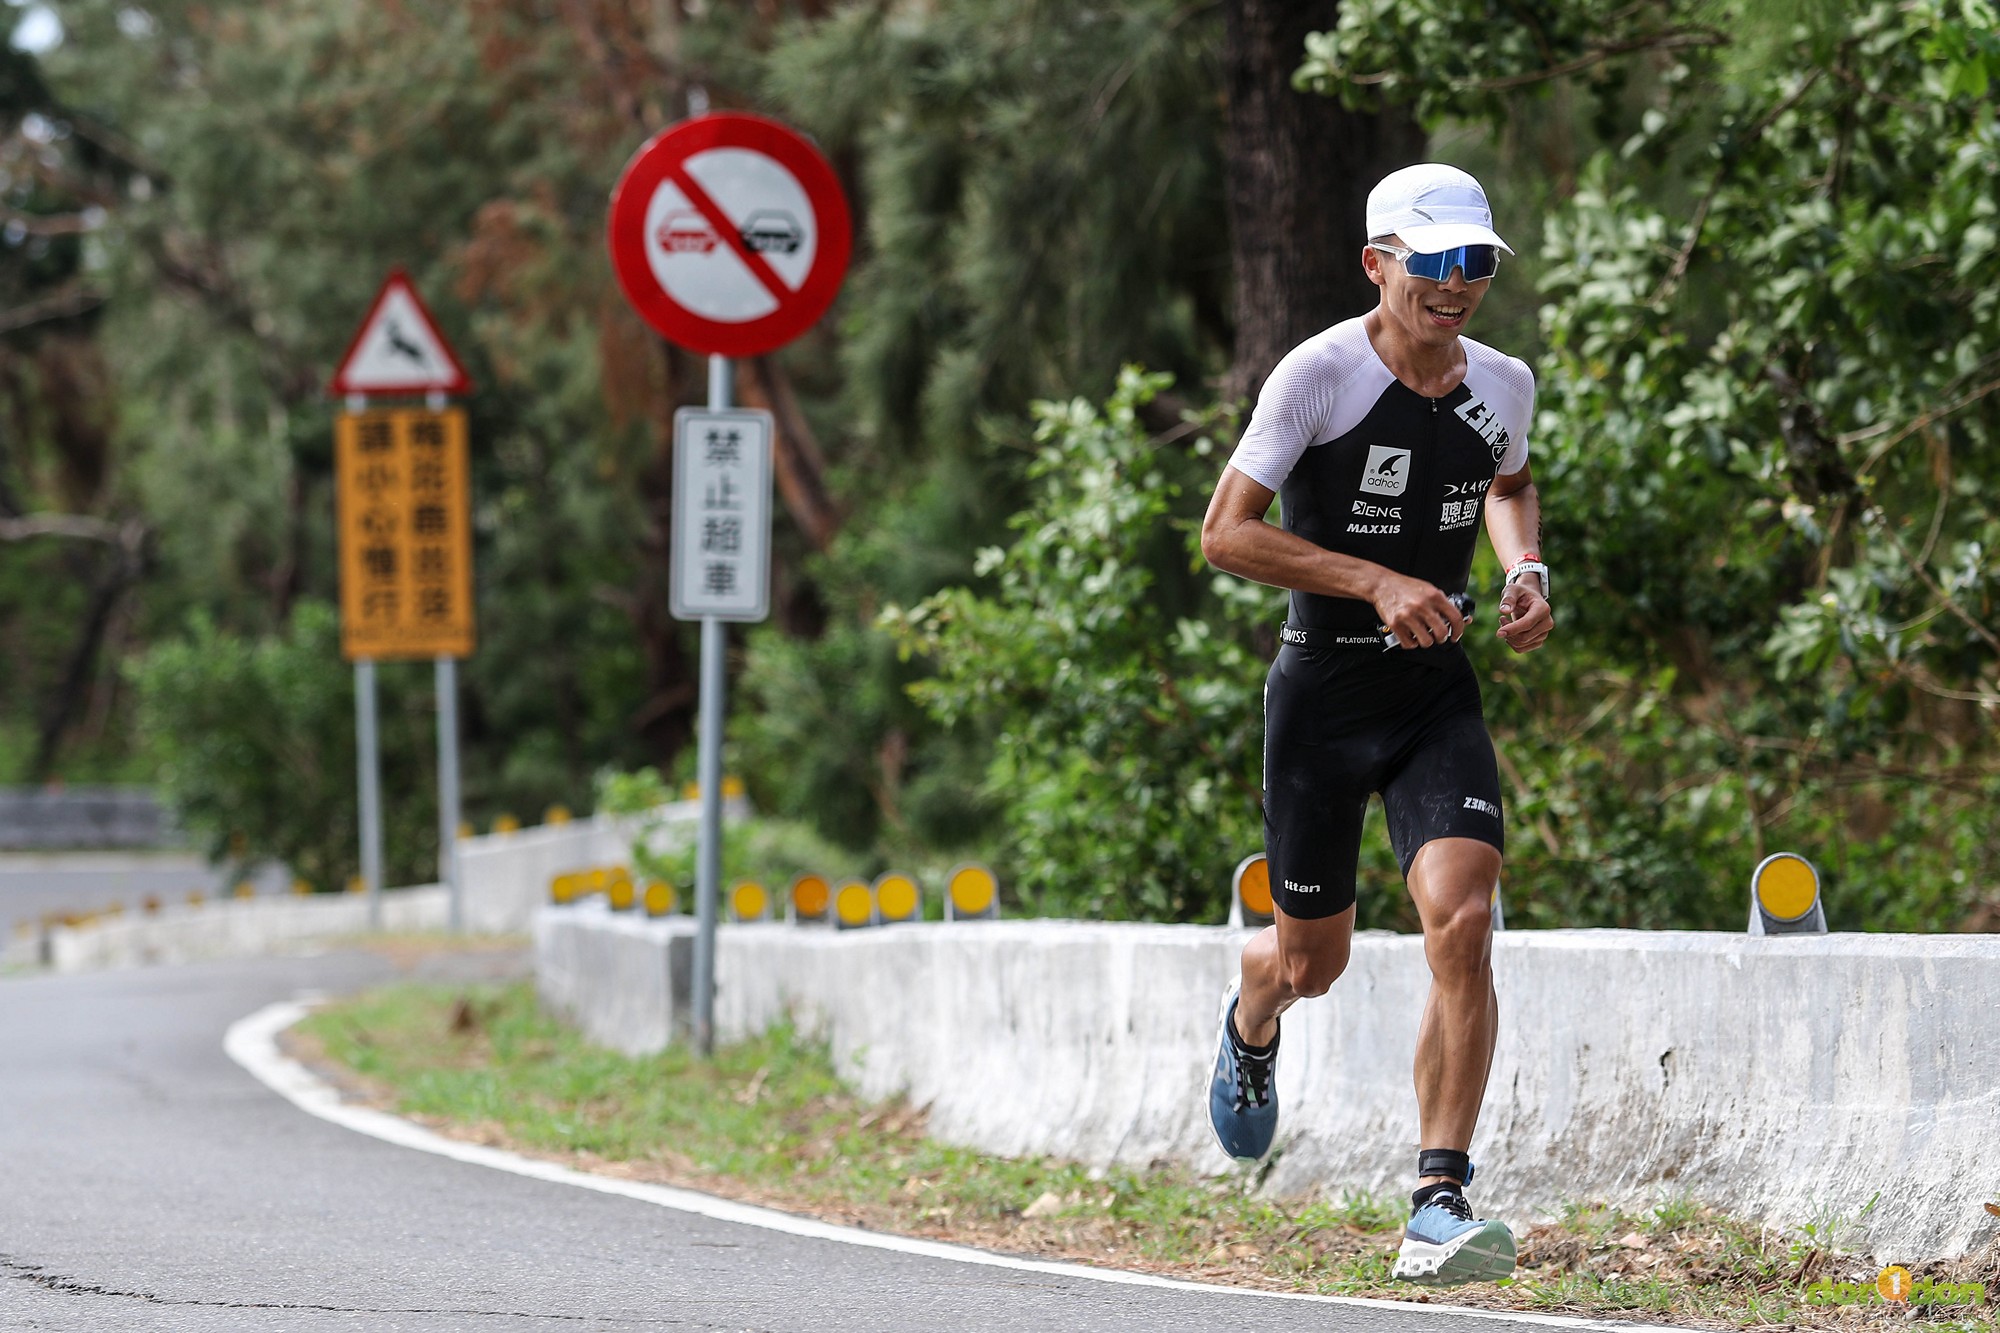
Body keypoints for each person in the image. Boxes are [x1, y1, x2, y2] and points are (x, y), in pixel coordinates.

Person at [1197, 163, 1553, 1286]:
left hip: (1431, 689)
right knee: (1316, 962)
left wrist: (1523, 567)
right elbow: (1224, 534)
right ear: (1376, 264)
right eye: (1433, 263)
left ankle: (1437, 1201)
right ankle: (1254, 1009)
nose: (1455, 286)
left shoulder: (1503, 380)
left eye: (1476, 264)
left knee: (1462, 916)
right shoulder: (1319, 374)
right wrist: (1372, 583)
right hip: (1321, 694)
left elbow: (1507, 482)